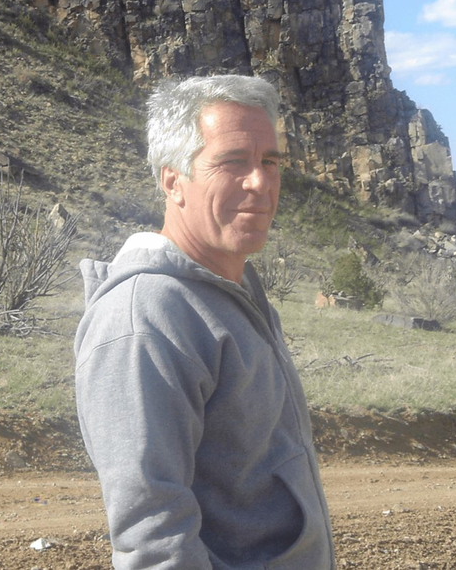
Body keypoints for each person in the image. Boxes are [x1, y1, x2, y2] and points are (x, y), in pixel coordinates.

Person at [74, 75, 335, 569]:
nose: (260, 182)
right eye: (232, 161)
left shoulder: (233, 292)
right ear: (173, 181)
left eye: (270, 162)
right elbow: (153, 537)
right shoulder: (146, 318)